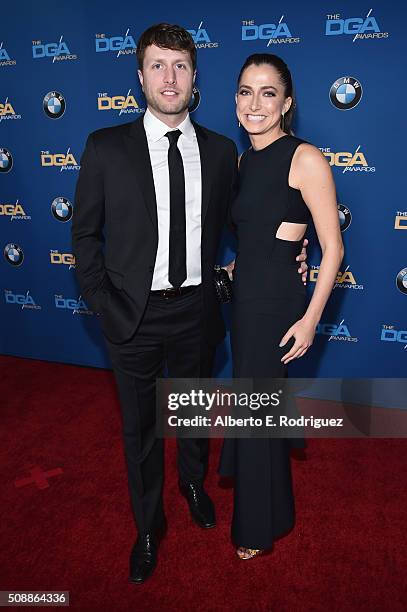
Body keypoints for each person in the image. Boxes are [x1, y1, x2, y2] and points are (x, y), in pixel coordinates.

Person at [72, 25, 308, 584]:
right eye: (158, 65)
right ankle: (149, 527)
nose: (169, 77)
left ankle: (194, 484)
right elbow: (84, 238)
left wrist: (291, 253)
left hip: (199, 311)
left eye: (180, 65)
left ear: (195, 78)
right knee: (143, 431)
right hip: (132, 316)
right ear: (140, 76)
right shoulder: (106, 147)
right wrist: (104, 303)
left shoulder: (224, 151)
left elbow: (245, 225)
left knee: (195, 410)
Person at [219, 53, 344, 559]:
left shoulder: (304, 157)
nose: (256, 104)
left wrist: (311, 320)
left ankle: (254, 531)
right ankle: (278, 511)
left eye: (268, 93)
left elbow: (332, 247)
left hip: (277, 308)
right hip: (247, 298)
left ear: (286, 103)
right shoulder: (242, 161)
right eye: (246, 92)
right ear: (234, 101)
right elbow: (254, 235)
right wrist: (233, 270)